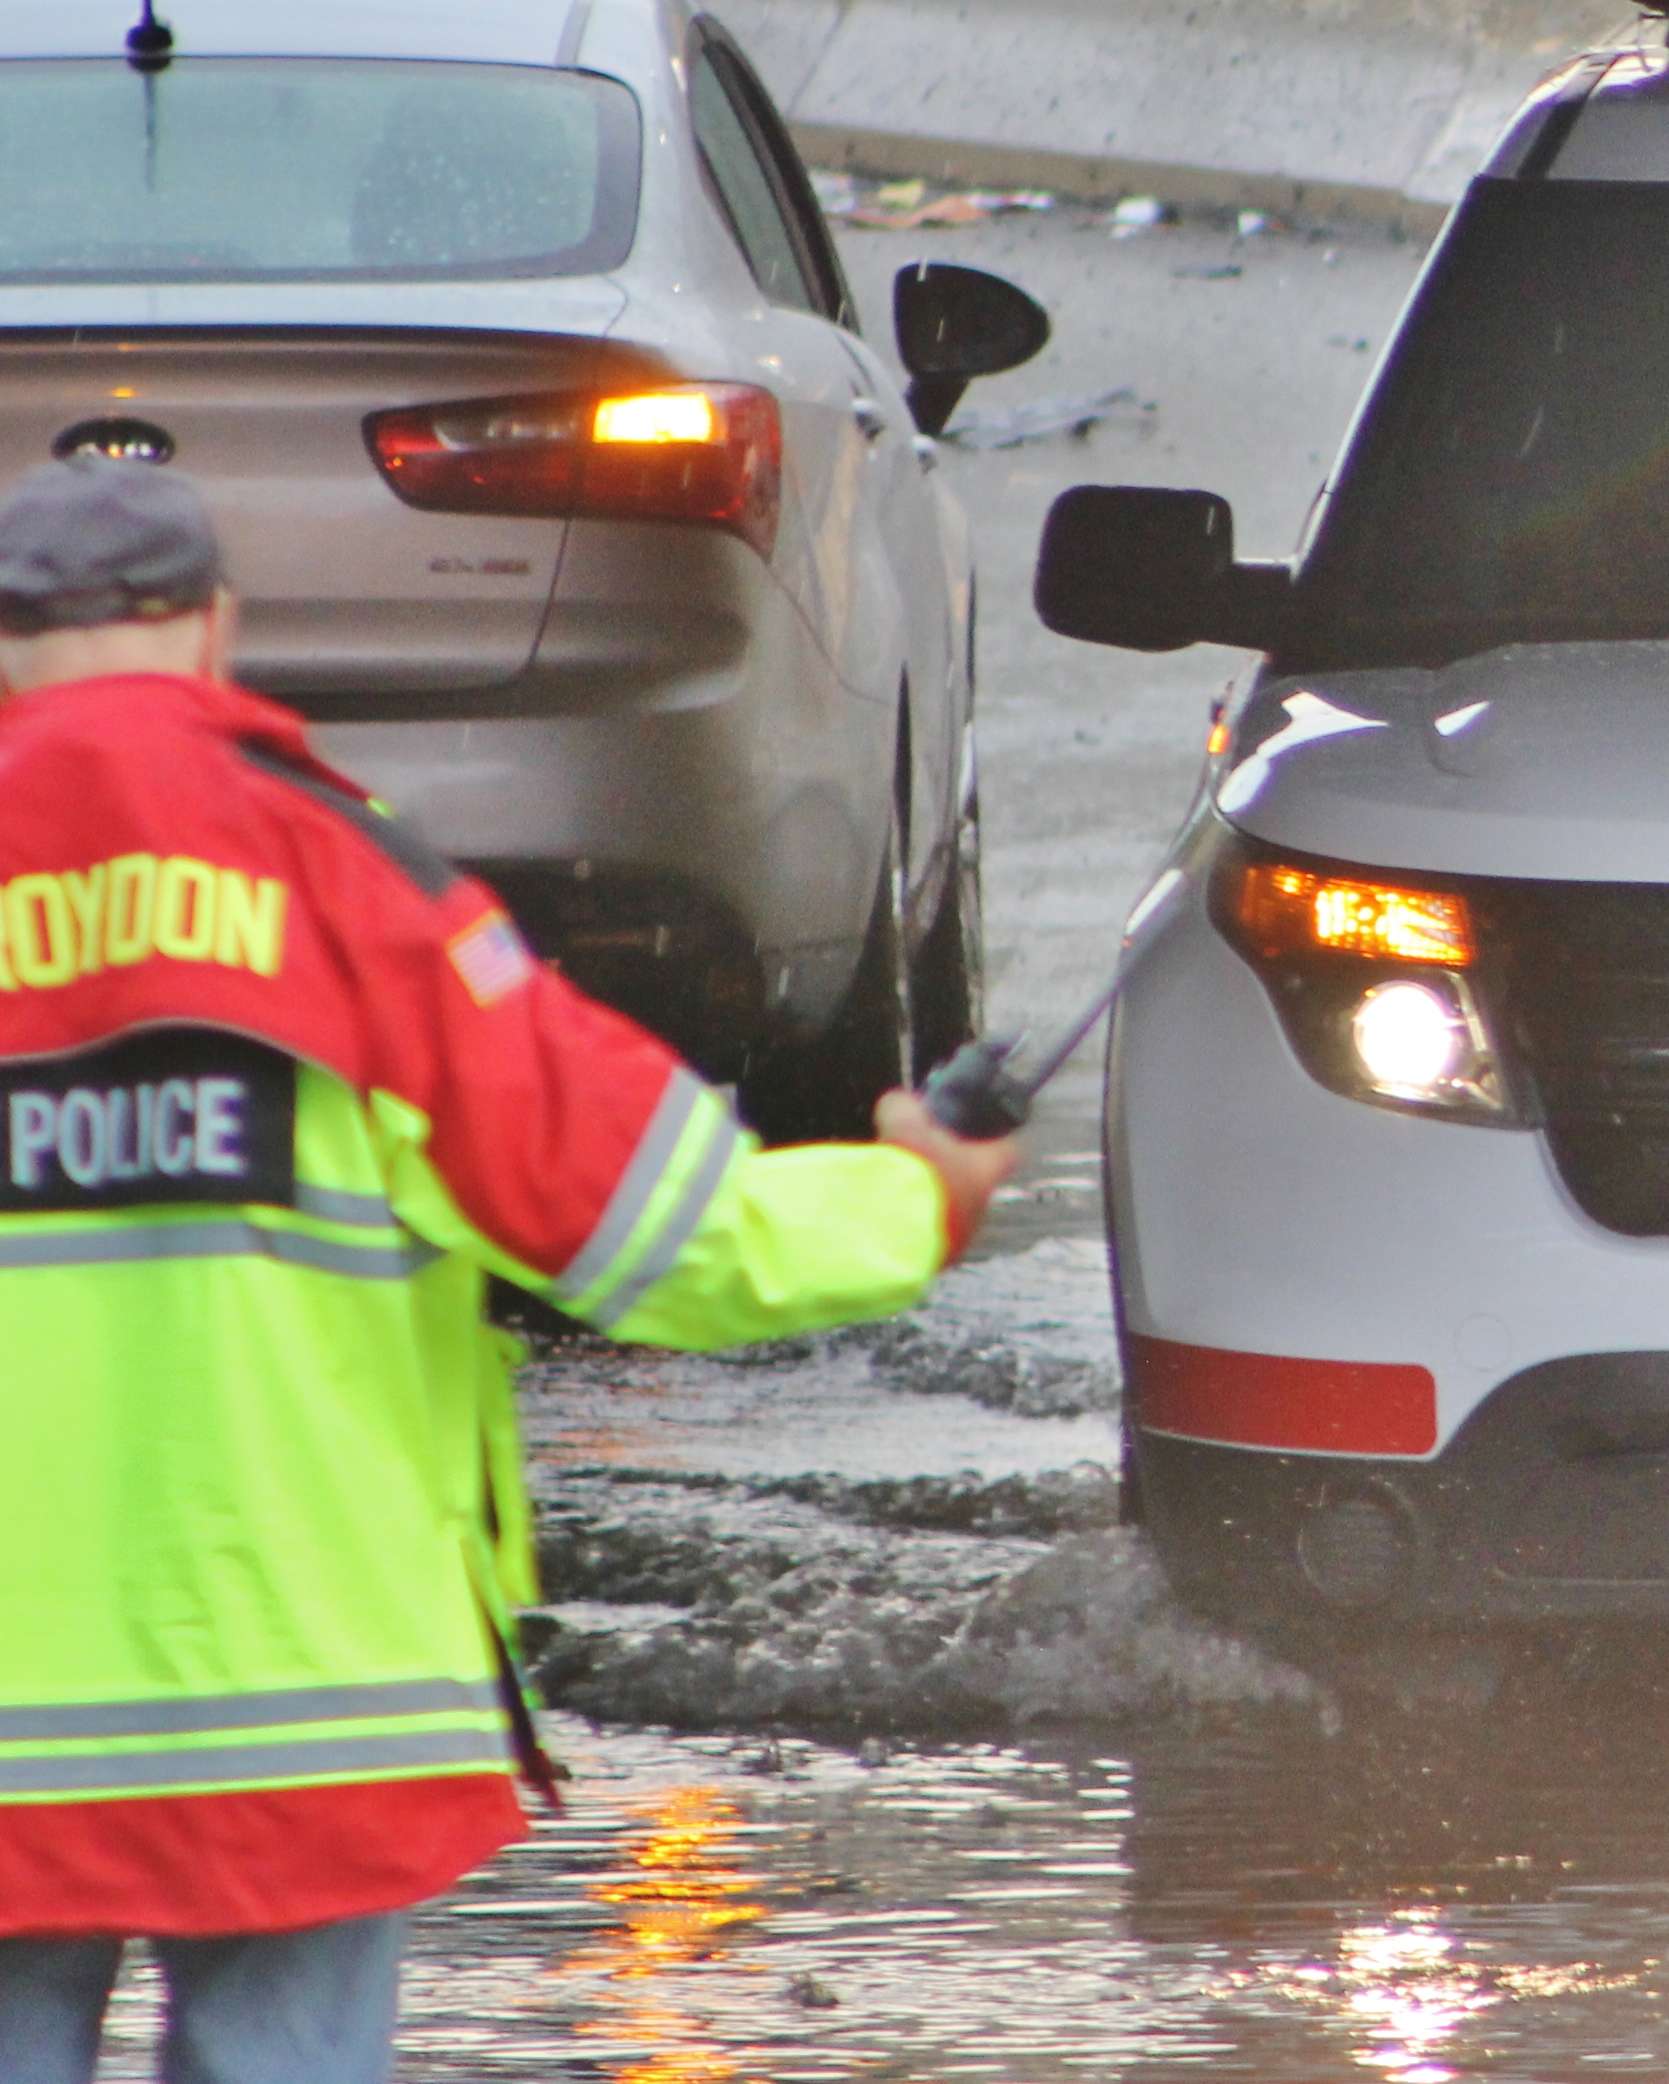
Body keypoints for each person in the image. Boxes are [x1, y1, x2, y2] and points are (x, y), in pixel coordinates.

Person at [0, 459, 1020, 2084]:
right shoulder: (346, 884)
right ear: (212, 630)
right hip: (300, 1713)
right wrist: (916, 1198)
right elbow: (661, 1234)